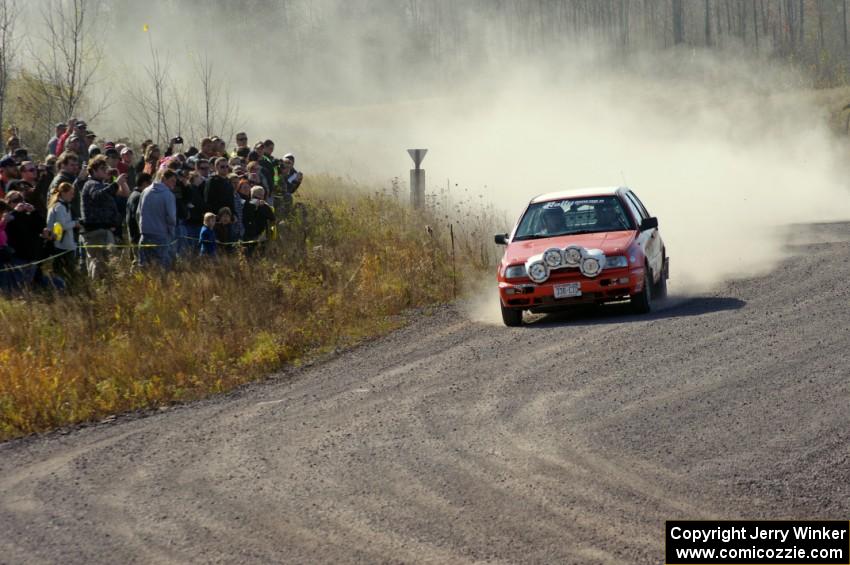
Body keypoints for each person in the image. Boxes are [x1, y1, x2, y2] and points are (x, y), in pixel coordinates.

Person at [79, 155, 130, 279]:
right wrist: (115, 183)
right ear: (94, 170)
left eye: (106, 168)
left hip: (104, 230)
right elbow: (98, 196)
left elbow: (125, 193)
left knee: (108, 263)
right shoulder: (91, 184)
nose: (105, 170)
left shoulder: (102, 184)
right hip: (95, 231)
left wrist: (121, 182)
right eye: (102, 168)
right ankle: (97, 288)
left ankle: (105, 287)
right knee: (98, 263)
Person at [138, 169, 177, 269]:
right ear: (163, 179)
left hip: (145, 234)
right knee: (162, 268)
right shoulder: (168, 195)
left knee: (145, 267)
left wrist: (142, 229)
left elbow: (138, 213)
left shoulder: (145, 191)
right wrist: (171, 232)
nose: (174, 184)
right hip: (161, 235)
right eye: (172, 181)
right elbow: (172, 218)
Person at [45, 182, 79, 284]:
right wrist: (75, 223)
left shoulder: (59, 205)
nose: (73, 196)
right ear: (63, 193)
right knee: (68, 273)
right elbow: (62, 225)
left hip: (60, 243)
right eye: (71, 193)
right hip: (63, 245)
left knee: (60, 271)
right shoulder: (60, 207)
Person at [241, 185, 275, 253]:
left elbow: (272, 218)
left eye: (262, 194)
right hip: (252, 234)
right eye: (259, 194)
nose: (261, 196)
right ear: (252, 194)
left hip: (258, 234)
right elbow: (272, 218)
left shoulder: (263, 205)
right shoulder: (249, 204)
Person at [125, 172, 153, 251]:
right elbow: (138, 217)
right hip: (137, 237)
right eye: (150, 183)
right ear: (144, 183)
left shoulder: (133, 194)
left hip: (134, 236)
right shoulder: (138, 197)